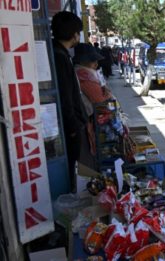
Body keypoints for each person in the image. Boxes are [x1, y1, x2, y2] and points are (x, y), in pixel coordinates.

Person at [52, 11, 88, 191]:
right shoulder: (59, 57)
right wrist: (74, 126)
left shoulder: (61, 54)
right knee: (70, 170)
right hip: (69, 127)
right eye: (78, 32)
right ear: (73, 34)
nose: (78, 36)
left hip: (70, 124)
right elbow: (65, 97)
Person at [73, 43, 113, 161]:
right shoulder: (84, 75)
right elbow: (100, 99)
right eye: (92, 61)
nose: (96, 64)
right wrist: (107, 93)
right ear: (83, 61)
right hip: (88, 119)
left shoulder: (88, 74)